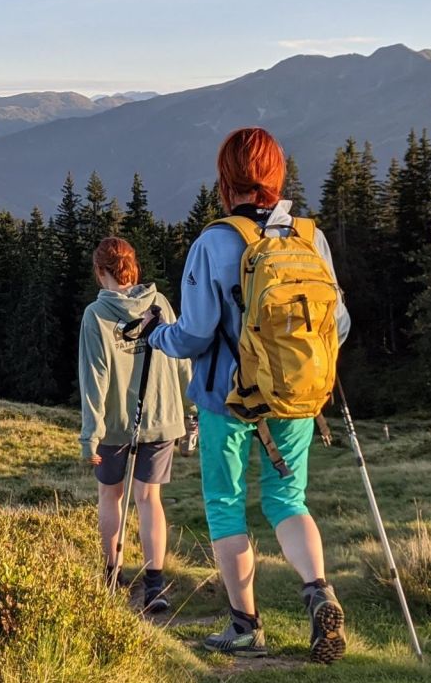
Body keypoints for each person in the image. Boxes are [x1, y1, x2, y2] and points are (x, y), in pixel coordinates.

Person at [145, 127, 351, 662]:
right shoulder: (310, 238)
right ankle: (318, 592)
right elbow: (339, 323)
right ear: (276, 174)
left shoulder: (214, 242)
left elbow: (194, 333)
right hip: (295, 396)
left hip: (227, 399)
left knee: (225, 505)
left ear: (225, 180)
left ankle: (244, 626)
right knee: (288, 500)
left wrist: (157, 335)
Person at [78, 235, 191, 613]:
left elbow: (94, 378)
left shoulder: (97, 315)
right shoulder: (160, 304)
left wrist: (90, 435)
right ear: (134, 269)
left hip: (114, 424)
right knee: (149, 498)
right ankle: (155, 585)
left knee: (110, 495)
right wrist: (190, 409)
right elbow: (181, 359)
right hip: (160, 417)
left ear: (100, 272)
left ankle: (112, 577)